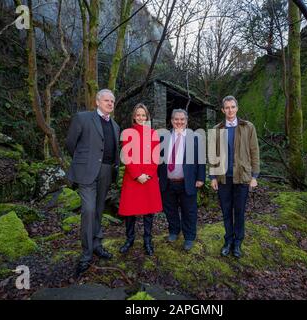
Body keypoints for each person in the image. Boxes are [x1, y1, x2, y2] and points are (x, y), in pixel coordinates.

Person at [65, 89, 120, 277]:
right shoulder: (82, 118)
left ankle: (97, 245)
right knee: (88, 210)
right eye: (107, 100)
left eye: (112, 101)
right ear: (97, 102)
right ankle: (86, 255)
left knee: (98, 210)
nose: (110, 104)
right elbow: (70, 144)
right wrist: (82, 161)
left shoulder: (115, 126)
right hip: (87, 172)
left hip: (106, 171)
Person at [210, 95, 260, 258]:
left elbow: (254, 151)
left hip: (242, 177)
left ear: (237, 108)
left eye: (233, 107)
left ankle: (238, 242)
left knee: (239, 211)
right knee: (226, 211)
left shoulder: (248, 127)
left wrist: (254, 175)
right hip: (224, 178)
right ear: (223, 110)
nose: (230, 110)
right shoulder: (217, 129)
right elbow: (212, 154)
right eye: (227, 108)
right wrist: (212, 177)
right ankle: (228, 241)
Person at [158, 109, 205, 251]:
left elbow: (200, 160)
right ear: (172, 121)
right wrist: (157, 176)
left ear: (186, 121)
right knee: (170, 209)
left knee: (189, 211)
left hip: (187, 181)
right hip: (168, 181)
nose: (179, 122)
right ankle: (174, 231)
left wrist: (200, 178)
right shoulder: (164, 138)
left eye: (182, 119)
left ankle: (189, 237)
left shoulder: (195, 138)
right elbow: (158, 160)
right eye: (176, 119)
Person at [118, 103, 162, 256]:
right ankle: (129, 240)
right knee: (130, 211)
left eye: (143, 115)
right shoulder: (128, 133)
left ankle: (147, 241)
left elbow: (155, 157)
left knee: (148, 212)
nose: (141, 117)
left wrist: (147, 174)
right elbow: (127, 157)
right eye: (138, 115)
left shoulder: (153, 134)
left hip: (149, 178)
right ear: (134, 117)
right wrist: (137, 175)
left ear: (147, 117)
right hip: (132, 178)